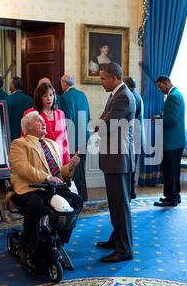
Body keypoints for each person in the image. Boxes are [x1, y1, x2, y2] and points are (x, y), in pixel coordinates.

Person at [9, 111, 83, 264]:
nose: (44, 123)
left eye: (43, 121)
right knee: (36, 204)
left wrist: (69, 167)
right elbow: (24, 168)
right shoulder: (19, 144)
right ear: (27, 126)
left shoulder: (52, 143)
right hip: (30, 188)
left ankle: (58, 241)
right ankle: (28, 245)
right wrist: (47, 178)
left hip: (53, 188)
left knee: (76, 200)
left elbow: (57, 171)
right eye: (39, 121)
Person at [96, 62, 135, 263]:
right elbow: (104, 120)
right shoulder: (116, 95)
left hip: (119, 158)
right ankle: (116, 239)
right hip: (114, 157)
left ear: (113, 77)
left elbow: (105, 125)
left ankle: (124, 249)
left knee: (120, 206)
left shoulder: (122, 97)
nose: (101, 82)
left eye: (103, 78)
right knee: (116, 204)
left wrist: (98, 125)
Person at [153, 76, 186, 207]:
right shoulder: (177, 94)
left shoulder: (173, 96)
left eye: (160, 86)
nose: (160, 89)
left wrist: (158, 119)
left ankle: (170, 198)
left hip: (171, 141)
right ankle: (175, 196)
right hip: (177, 140)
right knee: (174, 171)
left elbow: (171, 119)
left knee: (169, 171)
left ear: (166, 83)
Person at [57, 74, 90, 201]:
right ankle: (83, 196)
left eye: (61, 83)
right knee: (81, 171)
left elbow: (66, 119)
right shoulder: (83, 95)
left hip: (71, 140)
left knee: (69, 171)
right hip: (83, 137)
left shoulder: (64, 97)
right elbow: (88, 117)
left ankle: (73, 199)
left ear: (64, 84)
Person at [23, 82, 71, 165]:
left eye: (51, 95)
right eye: (45, 96)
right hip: (40, 160)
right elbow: (24, 139)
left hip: (59, 159)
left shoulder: (60, 113)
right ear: (39, 98)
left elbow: (64, 140)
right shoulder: (30, 113)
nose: (49, 98)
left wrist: (67, 162)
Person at [123, 76, 145, 199]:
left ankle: (130, 192)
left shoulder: (132, 97)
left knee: (130, 167)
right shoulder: (137, 96)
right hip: (137, 136)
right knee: (132, 166)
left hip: (133, 137)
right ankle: (131, 192)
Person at [7, 77, 33, 143]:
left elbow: (6, 117)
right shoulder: (29, 99)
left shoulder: (9, 99)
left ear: (13, 85)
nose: (9, 85)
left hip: (12, 134)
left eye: (10, 83)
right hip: (27, 134)